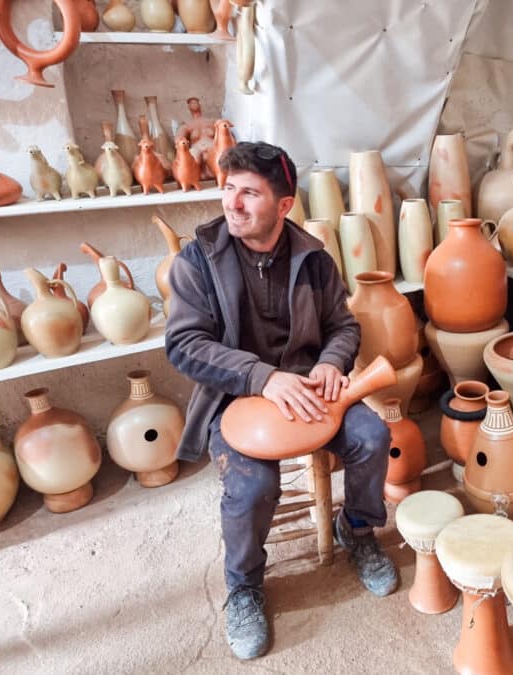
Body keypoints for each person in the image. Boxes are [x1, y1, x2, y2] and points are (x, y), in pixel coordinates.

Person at [165, 141, 398, 660]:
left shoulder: (313, 257)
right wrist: (261, 377)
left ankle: (356, 528)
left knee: (372, 436)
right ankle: (244, 584)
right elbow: (184, 345)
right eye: (228, 189)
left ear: (285, 205)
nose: (233, 203)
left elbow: (343, 325)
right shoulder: (198, 259)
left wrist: (329, 364)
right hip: (234, 396)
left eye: (250, 192)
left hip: (310, 388)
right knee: (253, 485)